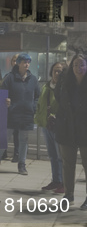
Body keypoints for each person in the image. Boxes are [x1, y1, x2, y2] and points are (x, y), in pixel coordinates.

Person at [0, 53, 40, 175]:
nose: (27, 64)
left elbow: (37, 95)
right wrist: (8, 104)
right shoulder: (10, 77)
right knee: (5, 139)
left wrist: (33, 107)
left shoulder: (32, 79)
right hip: (12, 113)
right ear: (18, 63)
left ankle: (21, 165)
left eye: (28, 62)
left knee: (24, 140)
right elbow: (2, 93)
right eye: (24, 62)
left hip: (27, 114)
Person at [54, 54, 87, 207]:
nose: (78, 68)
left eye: (81, 65)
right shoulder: (65, 83)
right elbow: (59, 99)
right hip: (67, 128)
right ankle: (69, 194)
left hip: (85, 129)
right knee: (68, 163)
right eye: (75, 65)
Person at [35, 62, 64, 194]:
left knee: (60, 156)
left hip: (58, 126)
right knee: (52, 155)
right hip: (46, 125)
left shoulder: (64, 88)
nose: (57, 73)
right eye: (55, 71)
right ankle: (56, 180)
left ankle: (64, 183)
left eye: (60, 71)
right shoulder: (46, 86)